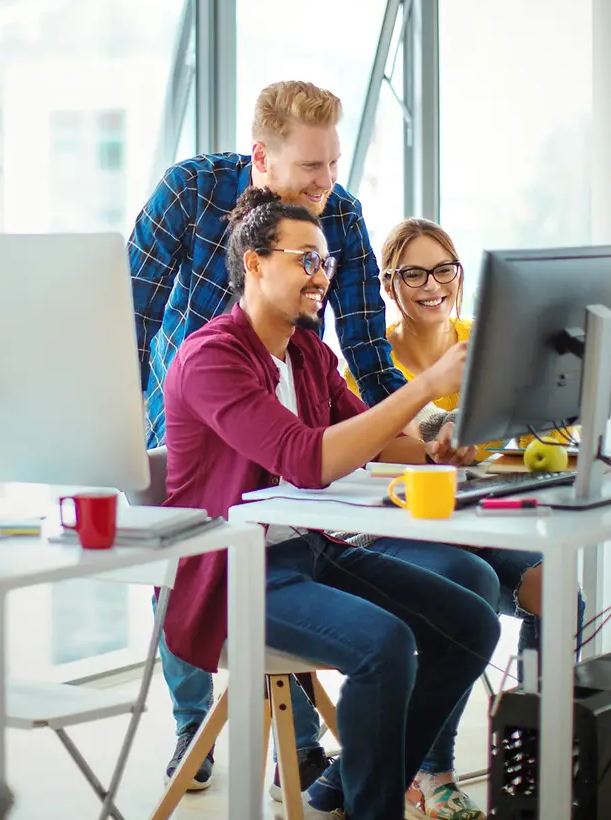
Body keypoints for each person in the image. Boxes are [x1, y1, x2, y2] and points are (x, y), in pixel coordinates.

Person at [161, 186, 500, 820]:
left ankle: (349, 789)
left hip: (306, 551)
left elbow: (373, 436)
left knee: (471, 624)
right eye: (306, 260)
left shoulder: (309, 352)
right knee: (384, 645)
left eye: (327, 263)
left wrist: (438, 446)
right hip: (230, 575)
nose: (322, 276)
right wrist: (427, 383)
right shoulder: (212, 358)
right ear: (256, 264)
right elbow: (307, 458)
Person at [130, 80, 429, 789]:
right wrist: (118, 430)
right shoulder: (192, 191)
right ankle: (192, 726)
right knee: (194, 547)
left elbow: (362, 347)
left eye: (333, 165)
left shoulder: (343, 218)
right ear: (262, 158)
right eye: (310, 169)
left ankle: (292, 743)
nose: (327, 184)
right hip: (194, 390)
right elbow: (131, 312)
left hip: (292, 394)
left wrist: (413, 430)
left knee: (283, 540)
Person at [343, 217, 585, 819]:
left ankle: (531, 753)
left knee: (556, 589)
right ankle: (432, 771)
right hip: (400, 531)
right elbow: (376, 443)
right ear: (389, 285)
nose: (432, 285)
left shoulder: (486, 341)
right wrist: (439, 441)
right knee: (463, 585)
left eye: (443, 269)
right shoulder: (370, 359)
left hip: (476, 520)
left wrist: (505, 427)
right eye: (413, 273)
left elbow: (547, 418)